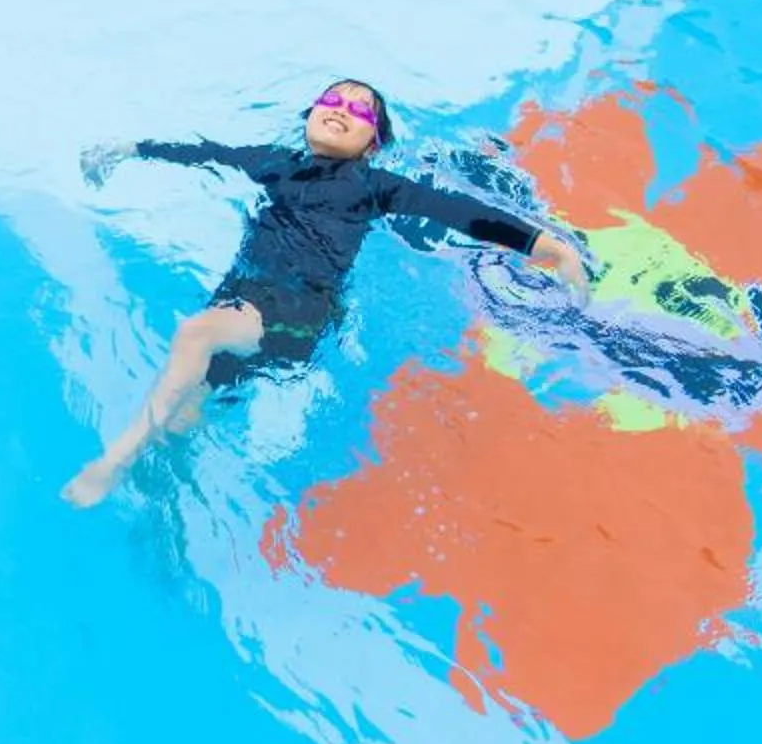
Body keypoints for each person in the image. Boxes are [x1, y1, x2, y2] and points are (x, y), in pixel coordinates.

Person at [62, 80, 589, 506]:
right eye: (333, 99)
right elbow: (205, 153)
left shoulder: (377, 187)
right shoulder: (275, 164)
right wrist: (130, 149)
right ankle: (165, 519)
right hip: (243, 301)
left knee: (195, 333)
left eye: (361, 111)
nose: (342, 109)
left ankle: (114, 460)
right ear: (309, 117)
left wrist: (544, 244)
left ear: (374, 142)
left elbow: (458, 212)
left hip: (297, 314)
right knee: (181, 428)